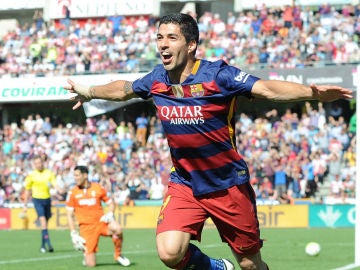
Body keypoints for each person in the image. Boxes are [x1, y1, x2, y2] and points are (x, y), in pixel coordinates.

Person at [64, 13, 352, 270]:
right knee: (169, 253)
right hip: (185, 182)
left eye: (171, 38)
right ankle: (215, 267)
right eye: (159, 38)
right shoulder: (157, 79)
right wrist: (89, 91)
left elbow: (266, 88)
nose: (162, 44)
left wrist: (312, 93)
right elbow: (124, 89)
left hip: (227, 184)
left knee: (250, 264)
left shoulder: (218, 75)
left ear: (191, 45)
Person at [65, 165, 130, 267]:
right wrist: (73, 233)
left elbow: (111, 203)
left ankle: (118, 255)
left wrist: (110, 213)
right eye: (74, 175)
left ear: (85, 175)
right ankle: (86, 253)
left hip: (101, 222)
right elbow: (69, 215)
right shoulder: (72, 192)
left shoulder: (98, 188)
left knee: (117, 229)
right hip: (86, 228)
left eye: (77, 175)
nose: (75, 178)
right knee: (91, 264)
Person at [23, 155, 57, 253]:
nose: (38, 165)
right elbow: (27, 191)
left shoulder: (48, 173)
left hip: (47, 199)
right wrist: (25, 205)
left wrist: (60, 189)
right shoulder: (32, 175)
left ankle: (43, 245)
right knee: (43, 221)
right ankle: (49, 244)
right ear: (34, 164)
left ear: (43, 163)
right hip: (37, 200)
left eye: (40, 162)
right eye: (36, 163)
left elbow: (54, 183)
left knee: (45, 223)